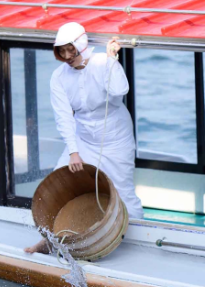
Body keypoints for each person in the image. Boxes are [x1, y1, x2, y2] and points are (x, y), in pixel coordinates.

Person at [25, 23, 142, 255]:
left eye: (71, 50)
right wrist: (73, 151)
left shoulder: (102, 62)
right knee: (59, 181)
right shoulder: (59, 76)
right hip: (83, 136)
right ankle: (50, 240)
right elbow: (63, 117)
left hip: (116, 138)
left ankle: (140, 241)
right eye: (62, 52)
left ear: (81, 45)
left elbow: (120, 90)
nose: (67, 57)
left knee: (123, 190)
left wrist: (112, 61)